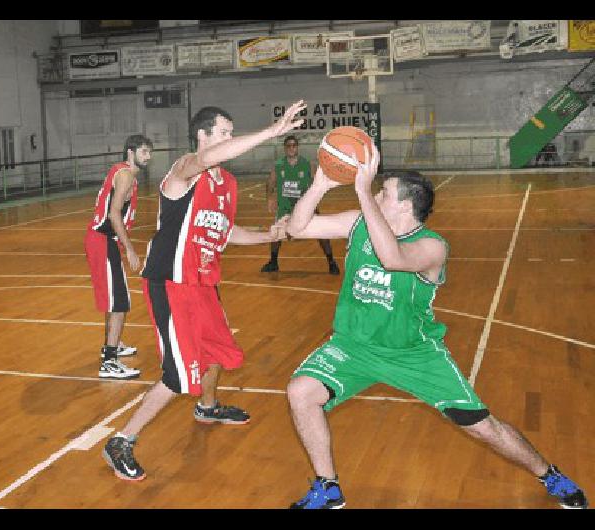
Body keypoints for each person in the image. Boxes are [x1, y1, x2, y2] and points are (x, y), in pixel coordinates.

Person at [283, 143, 588, 509]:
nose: (377, 193)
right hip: (354, 346)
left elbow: (392, 258)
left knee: (481, 425)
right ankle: (328, 486)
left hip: (413, 352)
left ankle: (549, 474)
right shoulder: (358, 222)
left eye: (384, 192)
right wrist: (318, 185)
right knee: (301, 391)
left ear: (405, 205)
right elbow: (298, 228)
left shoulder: (432, 247)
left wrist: (363, 192)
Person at [101, 101, 304, 481]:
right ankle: (122, 441)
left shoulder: (227, 184)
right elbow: (205, 160)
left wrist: (269, 236)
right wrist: (269, 132)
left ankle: (207, 407)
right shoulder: (184, 171)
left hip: (204, 282)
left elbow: (225, 233)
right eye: (224, 133)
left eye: (231, 133)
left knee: (216, 351)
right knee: (178, 376)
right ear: (203, 136)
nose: (230, 139)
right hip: (171, 282)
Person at [85, 134, 153, 379]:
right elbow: (114, 215)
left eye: (149, 152)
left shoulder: (125, 174)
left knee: (116, 297)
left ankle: (113, 344)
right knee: (120, 301)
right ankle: (109, 360)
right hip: (103, 240)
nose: (148, 156)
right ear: (130, 152)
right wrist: (131, 249)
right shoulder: (125, 175)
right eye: (144, 151)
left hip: (105, 241)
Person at [261, 135, 339, 275]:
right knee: (277, 233)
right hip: (285, 206)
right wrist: (269, 198)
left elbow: (319, 183)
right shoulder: (278, 166)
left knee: (321, 233)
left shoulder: (307, 164)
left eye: (294, 145)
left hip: (305, 206)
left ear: (297, 147)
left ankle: (331, 261)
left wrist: (314, 199)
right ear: (285, 148)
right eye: (288, 146)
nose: (291, 148)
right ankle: (273, 262)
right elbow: (270, 183)